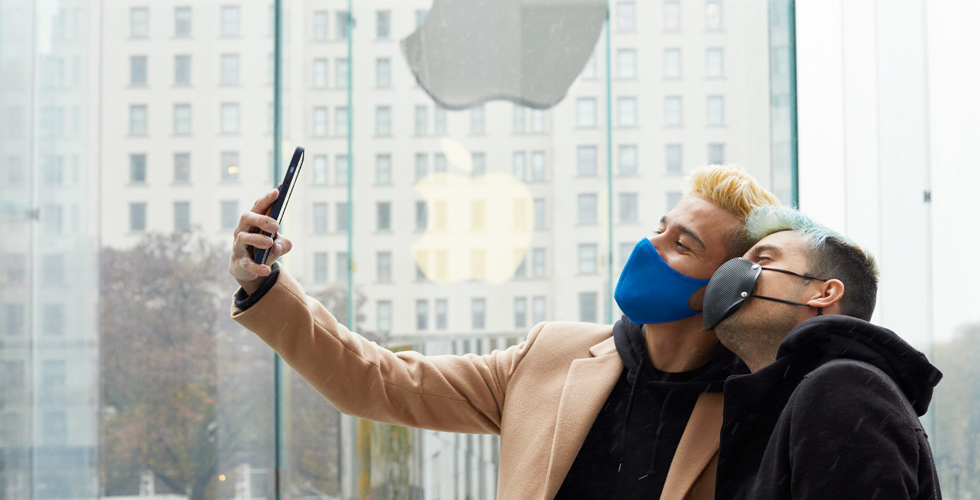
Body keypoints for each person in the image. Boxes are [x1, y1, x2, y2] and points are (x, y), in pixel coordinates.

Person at [228, 164, 779, 499]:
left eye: (683, 244)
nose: (648, 248)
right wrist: (267, 286)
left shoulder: (760, 406)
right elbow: (373, 380)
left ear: (728, 285)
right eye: (659, 229)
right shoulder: (550, 356)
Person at [702, 206, 943, 499]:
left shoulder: (842, 387)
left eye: (762, 260)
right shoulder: (792, 401)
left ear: (825, 293)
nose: (731, 274)